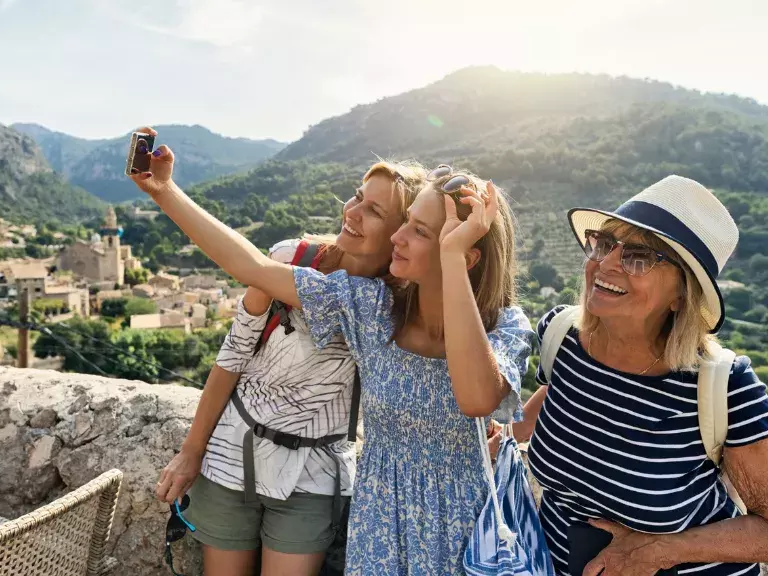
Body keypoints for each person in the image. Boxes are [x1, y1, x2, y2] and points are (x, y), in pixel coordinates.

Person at [129, 127, 534, 575]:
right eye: (404, 223)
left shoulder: (506, 327)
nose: (399, 237)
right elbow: (253, 267)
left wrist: (453, 258)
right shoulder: (372, 309)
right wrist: (165, 191)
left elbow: (476, 398)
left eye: (418, 231)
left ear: (466, 256)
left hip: (462, 524)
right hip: (380, 522)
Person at [153, 159, 428, 576]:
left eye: (374, 211)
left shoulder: (393, 307)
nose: (352, 211)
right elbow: (233, 355)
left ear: (401, 233)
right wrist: (192, 452)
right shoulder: (292, 259)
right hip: (233, 453)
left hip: (314, 473)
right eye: (358, 196)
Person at [516, 175, 768, 576]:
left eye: (639, 256)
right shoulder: (561, 338)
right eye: (603, 244)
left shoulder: (725, 388)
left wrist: (657, 552)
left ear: (681, 293)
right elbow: (555, 403)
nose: (607, 263)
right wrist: (499, 438)